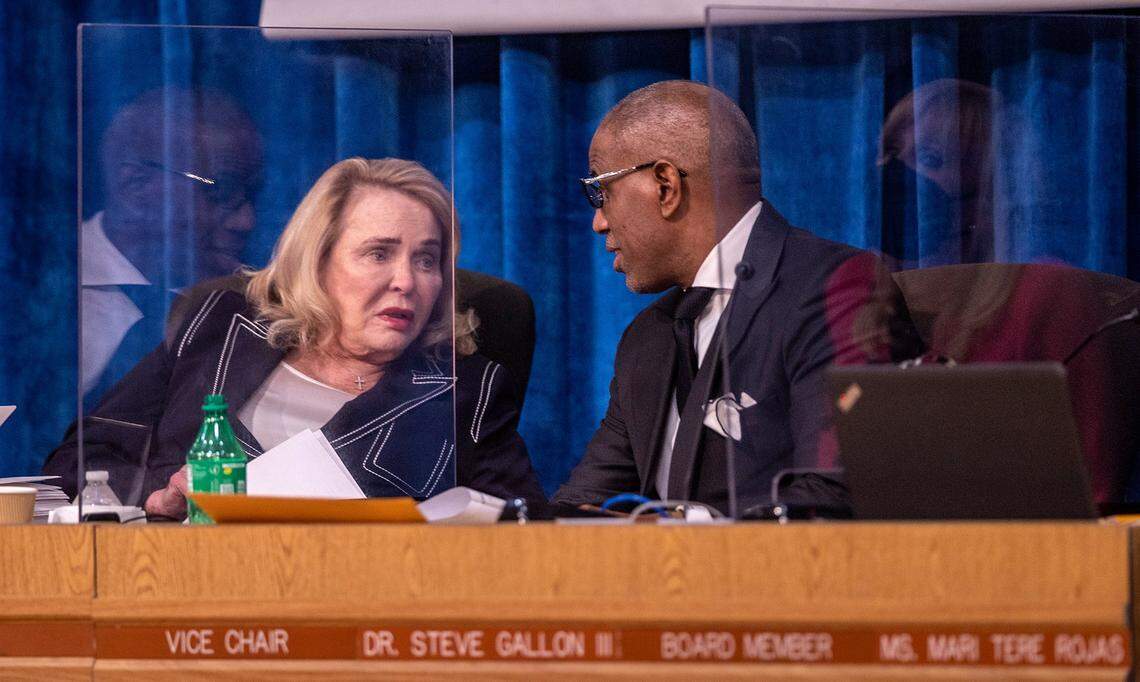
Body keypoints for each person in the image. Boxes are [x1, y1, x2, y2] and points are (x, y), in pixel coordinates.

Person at [47, 157, 546, 518]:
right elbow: (82, 460)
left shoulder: (466, 392)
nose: (407, 281)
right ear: (319, 261)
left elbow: (525, 531)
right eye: (379, 253)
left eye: (426, 259)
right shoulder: (218, 327)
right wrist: (155, 497)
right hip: (173, 588)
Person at [553, 80, 920, 515]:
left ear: (665, 186)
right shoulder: (646, 338)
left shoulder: (835, 289)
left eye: (601, 191)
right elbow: (581, 508)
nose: (598, 221)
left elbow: (835, 496)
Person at [82, 87, 265, 399]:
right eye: (222, 193)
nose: (246, 222)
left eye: (253, 194)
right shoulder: (26, 291)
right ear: (135, 186)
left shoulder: (257, 311)